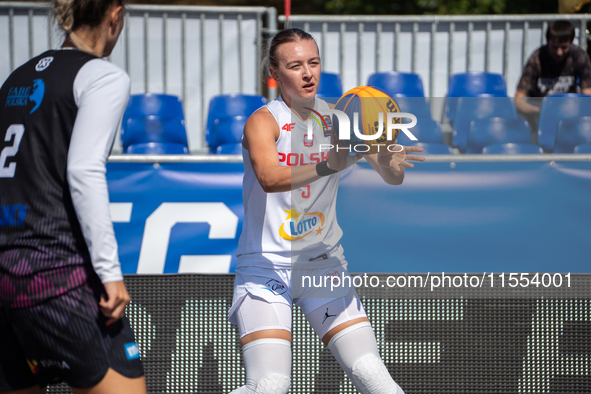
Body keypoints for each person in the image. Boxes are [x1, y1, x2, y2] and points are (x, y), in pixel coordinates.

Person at [228, 28, 424, 394]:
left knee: (372, 375)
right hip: (265, 266)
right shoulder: (263, 121)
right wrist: (329, 164)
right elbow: (270, 178)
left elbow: (390, 175)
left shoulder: (341, 120)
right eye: (295, 65)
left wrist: (389, 159)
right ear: (275, 73)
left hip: (322, 266)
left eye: (313, 63)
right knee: (270, 386)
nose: (308, 73)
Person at [0, 0, 147, 393]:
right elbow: (84, 170)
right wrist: (110, 275)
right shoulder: (102, 76)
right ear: (115, 14)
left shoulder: (17, 77)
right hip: (56, 277)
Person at [515, 20, 591, 141]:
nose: (559, 52)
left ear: (571, 43)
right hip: (539, 109)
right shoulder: (536, 59)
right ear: (548, 42)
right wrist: (541, 111)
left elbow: (587, 96)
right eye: (554, 47)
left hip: (569, 108)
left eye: (564, 47)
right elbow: (518, 100)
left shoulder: (580, 57)